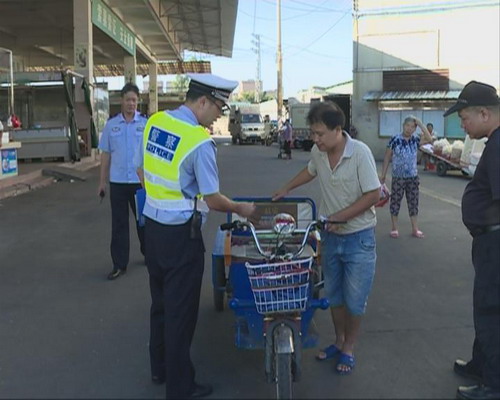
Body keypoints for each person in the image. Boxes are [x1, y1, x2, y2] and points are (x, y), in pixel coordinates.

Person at [135, 73, 255, 399]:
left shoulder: (154, 122)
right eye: (218, 106)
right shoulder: (199, 142)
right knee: (181, 313)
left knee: (160, 304)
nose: (219, 114)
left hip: (152, 230)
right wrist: (241, 208)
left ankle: (159, 368)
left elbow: (140, 171)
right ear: (202, 101)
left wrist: (161, 199)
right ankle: (180, 386)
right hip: (180, 238)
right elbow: (214, 199)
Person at [272, 102, 380, 375]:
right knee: (334, 296)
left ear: (338, 130)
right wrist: (285, 187)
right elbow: (310, 171)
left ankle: (349, 348)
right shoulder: (318, 153)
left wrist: (341, 216)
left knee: (355, 300)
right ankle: (339, 340)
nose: (315, 139)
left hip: (359, 239)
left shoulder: (360, 154)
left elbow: (373, 195)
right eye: (313, 133)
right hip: (330, 238)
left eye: (320, 134)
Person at [443, 81, 499, 400]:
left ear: (484, 113)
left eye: (464, 118)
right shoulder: (493, 143)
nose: (462, 125)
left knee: (491, 310)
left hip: (496, 244)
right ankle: (482, 364)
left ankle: (494, 384)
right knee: (485, 307)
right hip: (489, 242)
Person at [97, 83, 146, 280]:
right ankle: (119, 264)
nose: (131, 104)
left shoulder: (145, 124)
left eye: (134, 100)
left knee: (143, 222)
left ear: (137, 102)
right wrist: (102, 182)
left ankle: (149, 254)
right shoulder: (111, 125)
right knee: (119, 225)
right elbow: (105, 155)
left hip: (139, 183)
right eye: (128, 100)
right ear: (121, 101)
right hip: (117, 182)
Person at [380, 115, 432, 239]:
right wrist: (383, 174)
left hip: (412, 177)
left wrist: (419, 123)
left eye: (412, 127)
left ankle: (415, 228)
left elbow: (429, 139)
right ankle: (394, 228)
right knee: (395, 202)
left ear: (414, 129)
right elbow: (387, 157)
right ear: (403, 126)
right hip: (398, 177)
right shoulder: (395, 139)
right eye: (407, 126)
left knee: (413, 202)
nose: (409, 129)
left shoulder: (415, 140)